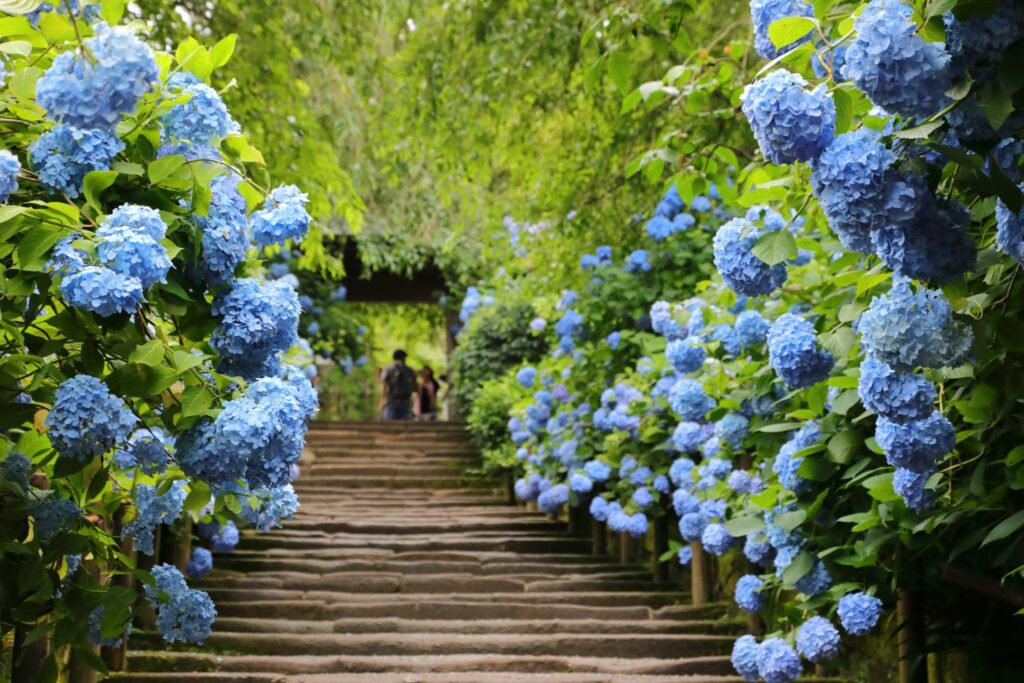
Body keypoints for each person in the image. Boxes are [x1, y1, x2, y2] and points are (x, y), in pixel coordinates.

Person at [380, 349, 417, 420]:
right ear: (403, 358)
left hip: (391, 400)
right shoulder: (409, 370)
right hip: (406, 401)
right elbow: (414, 387)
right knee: (405, 425)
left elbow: (384, 385)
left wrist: (382, 400)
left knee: (389, 425)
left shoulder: (388, 369)